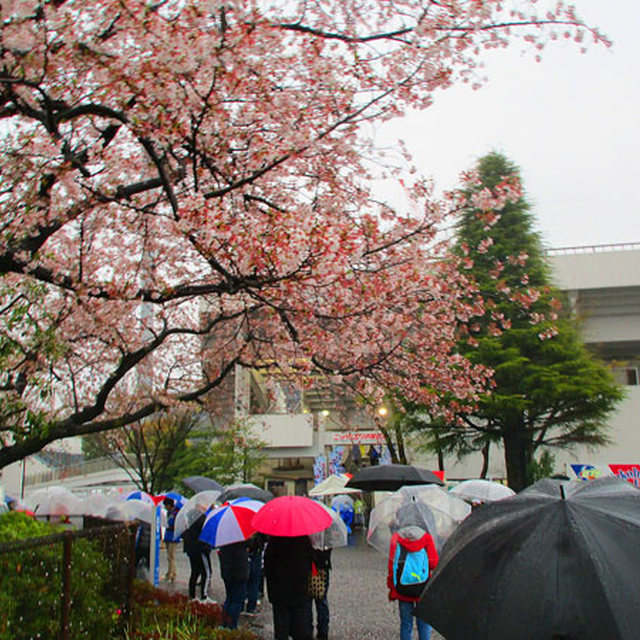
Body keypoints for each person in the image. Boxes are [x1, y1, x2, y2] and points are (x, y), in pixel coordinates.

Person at [387, 525, 438, 640]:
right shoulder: (427, 538)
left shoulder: (396, 538)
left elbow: (392, 565)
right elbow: (434, 564)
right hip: (422, 588)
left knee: (406, 624)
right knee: (424, 623)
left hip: (402, 588)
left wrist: (391, 588)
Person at [264, 535, 313, 640]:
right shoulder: (303, 539)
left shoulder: (275, 539)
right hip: (299, 588)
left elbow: (268, 565)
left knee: (281, 629)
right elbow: (310, 560)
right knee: (300, 629)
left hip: (280, 589)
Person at [182, 509, 212, 601]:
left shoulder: (187, 517)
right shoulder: (201, 518)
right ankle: (204, 596)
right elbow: (205, 532)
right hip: (200, 549)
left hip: (191, 549)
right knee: (206, 572)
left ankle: (192, 595)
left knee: (195, 572)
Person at [218, 540, 250, 629]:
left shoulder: (223, 537)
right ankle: (232, 626)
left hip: (227, 570)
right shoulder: (241, 538)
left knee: (229, 597)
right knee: (237, 600)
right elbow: (250, 545)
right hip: (239, 572)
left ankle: (224, 623)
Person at [307, 547, 331, 640]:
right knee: (322, 599)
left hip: (308, 565)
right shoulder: (326, 533)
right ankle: (323, 631)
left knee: (307, 601)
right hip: (322, 565)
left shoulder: (306, 533)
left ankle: (308, 630)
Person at [245, 532, 266, 615]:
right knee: (254, 582)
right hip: (256, 552)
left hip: (245, 553)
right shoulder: (259, 524)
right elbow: (265, 538)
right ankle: (251, 607)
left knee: (246, 581)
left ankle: (242, 603)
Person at [163, 497, 182, 584]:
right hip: (168, 536)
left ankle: (170, 574)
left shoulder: (175, 513)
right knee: (169, 556)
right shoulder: (168, 513)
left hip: (173, 536)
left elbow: (176, 525)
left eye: (166, 505)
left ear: (169, 505)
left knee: (170, 556)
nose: (165, 507)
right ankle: (172, 573)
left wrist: (170, 527)